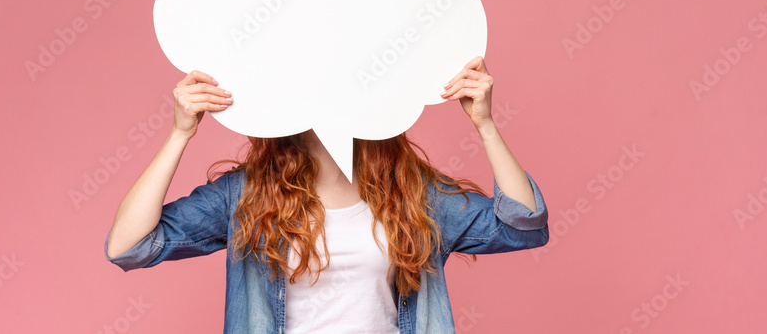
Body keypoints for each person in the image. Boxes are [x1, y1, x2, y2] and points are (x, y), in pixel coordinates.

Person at [104, 56, 549, 334]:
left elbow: (523, 226)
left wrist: (484, 125)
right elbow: (130, 246)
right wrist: (181, 134)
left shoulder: (413, 192)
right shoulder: (246, 195)